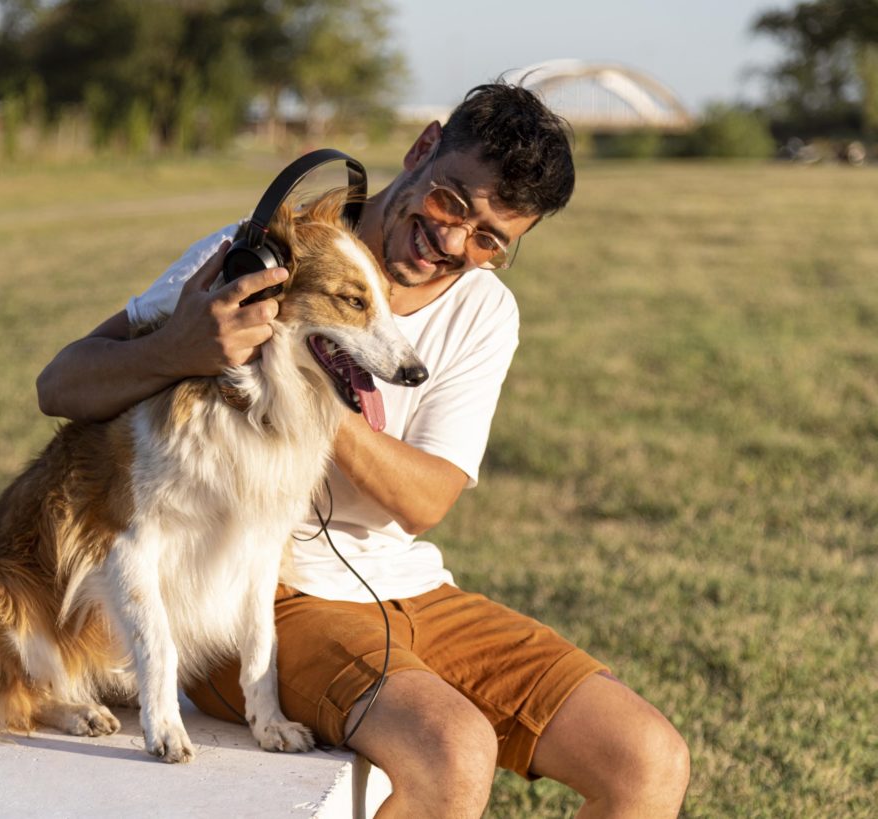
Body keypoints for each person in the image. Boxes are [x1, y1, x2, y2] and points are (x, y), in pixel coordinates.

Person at [37, 82, 690, 818]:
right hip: (269, 595)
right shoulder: (265, 251)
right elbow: (61, 383)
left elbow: (425, 499)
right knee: (452, 750)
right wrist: (179, 347)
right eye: (451, 201)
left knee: (648, 761)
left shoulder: (484, 309)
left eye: (490, 239)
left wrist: (313, 376)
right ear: (420, 151)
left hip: (412, 587)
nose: (454, 241)